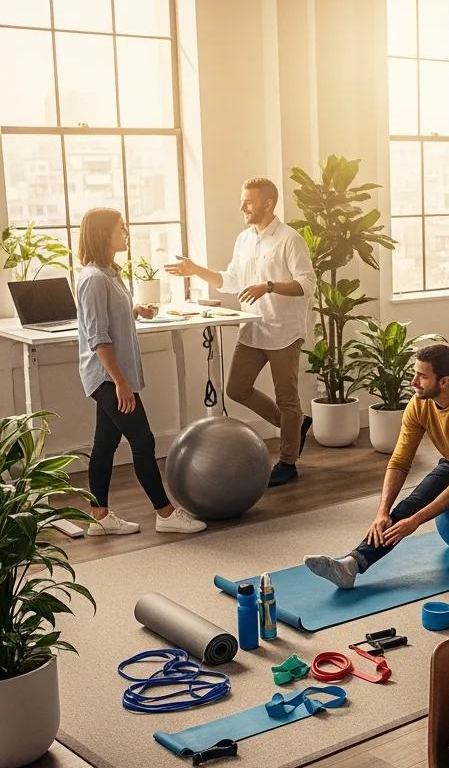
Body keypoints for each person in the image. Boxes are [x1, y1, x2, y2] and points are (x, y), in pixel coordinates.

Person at [304, 344, 449, 581]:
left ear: (444, 382)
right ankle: (351, 565)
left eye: (422, 376)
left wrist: (415, 523)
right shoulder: (419, 404)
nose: (413, 382)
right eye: (415, 373)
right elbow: (399, 461)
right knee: (410, 505)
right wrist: (382, 512)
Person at [165, 177, 315, 487]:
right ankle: (293, 426)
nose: (242, 207)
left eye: (248, 201)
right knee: (236, 388)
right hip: (252, 327)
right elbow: (231, 280)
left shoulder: (289, 239)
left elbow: (307, 285)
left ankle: (288, 462)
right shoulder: (244, 239)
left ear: (268, 204)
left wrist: (269, 286)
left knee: (286, 397)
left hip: (283, 330)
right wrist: (196, 270)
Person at [75, 208, 206, 536]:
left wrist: (134, 311)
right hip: (108, 377)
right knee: (143, 441)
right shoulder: (93, 278)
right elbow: (98, 337)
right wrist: (120, 382)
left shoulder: (109, 273)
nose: (127, 232)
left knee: (104, 445)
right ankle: (164, 513)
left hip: (116, 375)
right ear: (104, 234)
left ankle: (99, 517)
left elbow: (109, 318)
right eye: (121, 228)